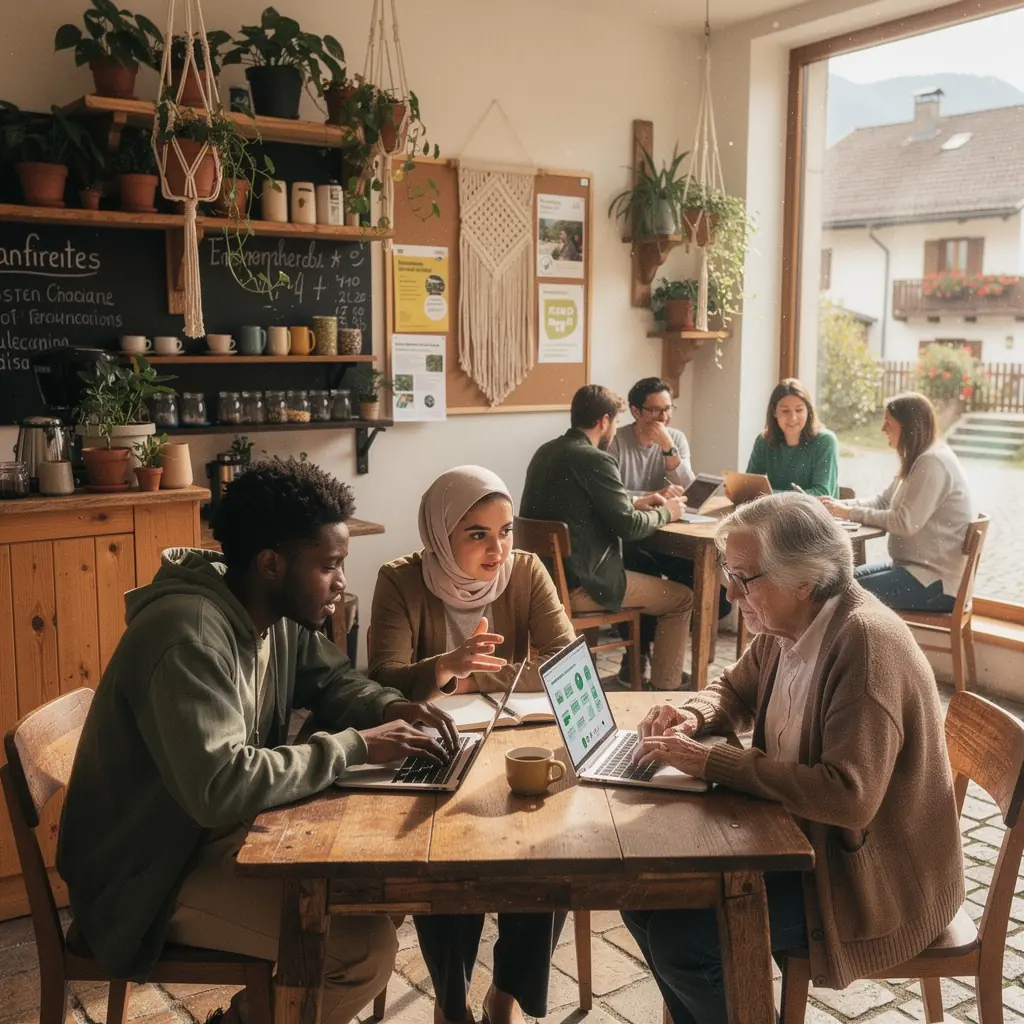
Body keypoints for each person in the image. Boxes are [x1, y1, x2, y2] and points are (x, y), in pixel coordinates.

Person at [57, 459, 459, 1023]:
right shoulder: (189, 635)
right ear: (272, 563)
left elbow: (334, 679)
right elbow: (220, 786)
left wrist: (390, 706)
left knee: (375, 891)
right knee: (361, 949)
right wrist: (358, 746)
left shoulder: (272, 611)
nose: (342, 581)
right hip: (147, 877)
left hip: (210, 838)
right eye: (330, 565)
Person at [623, 492, 964, 1024]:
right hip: (801, 844)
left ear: (805, 578)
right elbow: (733, 692)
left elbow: (847, 798)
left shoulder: (864, 645)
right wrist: (694, 715)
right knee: (640, 897)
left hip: (868, 883)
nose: (733, 594)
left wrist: (713, 763)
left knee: (681, 940)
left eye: (744, 578)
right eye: (728, 575)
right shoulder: (787, 625)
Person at [369, 465, 575, 1024]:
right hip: (439, 748)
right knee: (445, 858)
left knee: (547, 854)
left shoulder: (527, 571)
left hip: (515, 739)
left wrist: (452, 675)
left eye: (505, 530)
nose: (497, 548)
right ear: (441, 533)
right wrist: (451, 664)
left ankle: (503, 998)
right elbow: (383, 681)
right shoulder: (400, 579)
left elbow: (565, 664)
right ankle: (451, 1002)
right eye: (477, 533)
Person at [520, 384, 694, 691]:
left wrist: (639, 503)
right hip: (584, 585)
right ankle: (666, 691)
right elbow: (628, 528)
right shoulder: (595, 459)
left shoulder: (544, 452)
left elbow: (583, 509)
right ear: (604, 421)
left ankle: (634, 672)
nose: (613, 429)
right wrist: (668, 512)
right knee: (681, 599)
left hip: (545, 582)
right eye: (613, 422)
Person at [609, 378, 731, 682]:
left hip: (671, 532)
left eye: (668, 409)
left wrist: (668, 448)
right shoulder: (616, 441)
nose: (664, 418)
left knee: (711, 588)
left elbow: (692, 488)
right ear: (636, 411)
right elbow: (612, 495)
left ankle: (662, 651)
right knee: (641, 572)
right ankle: (637, 655)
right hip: (632, 535)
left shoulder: (675, 438)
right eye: (655, 411)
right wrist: (653, 495)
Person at [821, 391, 974, 612]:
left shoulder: (932, 463)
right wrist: (838, 506)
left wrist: (847, 513)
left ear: (909, 427)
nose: (883, 429)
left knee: (840, 593)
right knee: (836, 583)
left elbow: (905, 522)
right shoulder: (919, 458)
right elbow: (883, 502)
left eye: (888, 423)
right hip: (914, 571)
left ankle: (852, 647)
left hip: (935, 585)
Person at [746, 378, 839, 496]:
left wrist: (770, 496)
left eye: (799, 410)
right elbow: (749, 487)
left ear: (808, 411)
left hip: (813, 514)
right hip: (774, 513)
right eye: (785, 411)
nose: (793, 418)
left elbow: (822, 494)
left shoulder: (826, 441)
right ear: (774, 411)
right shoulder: (764, 441)